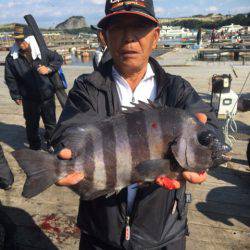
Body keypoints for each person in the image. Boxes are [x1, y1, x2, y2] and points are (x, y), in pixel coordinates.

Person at [51, 0, 224, 249]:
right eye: (118, 27)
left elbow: (210, 130)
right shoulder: (87, 87)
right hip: (100, 231)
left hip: (164, 233)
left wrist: (204, 149)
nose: (129, 37)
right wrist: (68, 146)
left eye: (139, 28)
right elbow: (72, 127)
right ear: (104, 37)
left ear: (155, 37)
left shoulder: (178, 89)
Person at [4, 24, 63, 151]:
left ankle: (51, 143)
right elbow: (10, 78)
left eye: (22, 40)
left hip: (47, 95)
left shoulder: (42, 51)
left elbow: (58, 59)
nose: (19, 43)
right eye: (17, 40)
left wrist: (48, 68)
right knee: (31, 124)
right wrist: (15, 95)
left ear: (30, 38)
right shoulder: (11, 58)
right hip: (29, 97)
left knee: (51, 123)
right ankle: (34, 147)